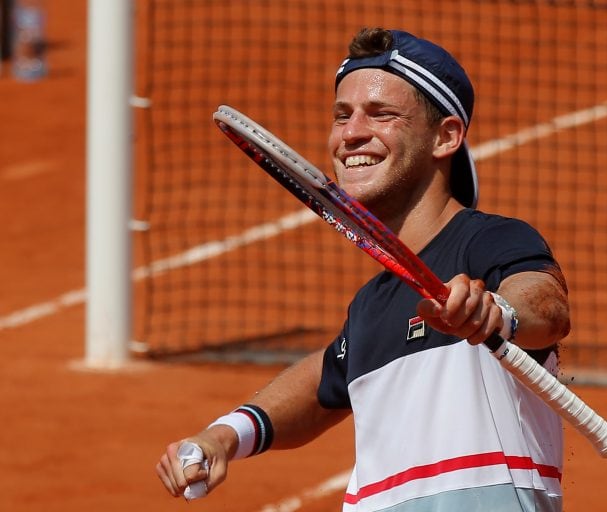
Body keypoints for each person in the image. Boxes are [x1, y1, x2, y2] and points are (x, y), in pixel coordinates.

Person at [156, 27, 571, 512]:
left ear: (445, 136)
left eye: (381, 114)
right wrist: (224, 436)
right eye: (341, 115)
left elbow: (546, 304)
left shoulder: (487, 242)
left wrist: (497, 312)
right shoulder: (373, 305)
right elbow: (327, 375)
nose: (350, 133)